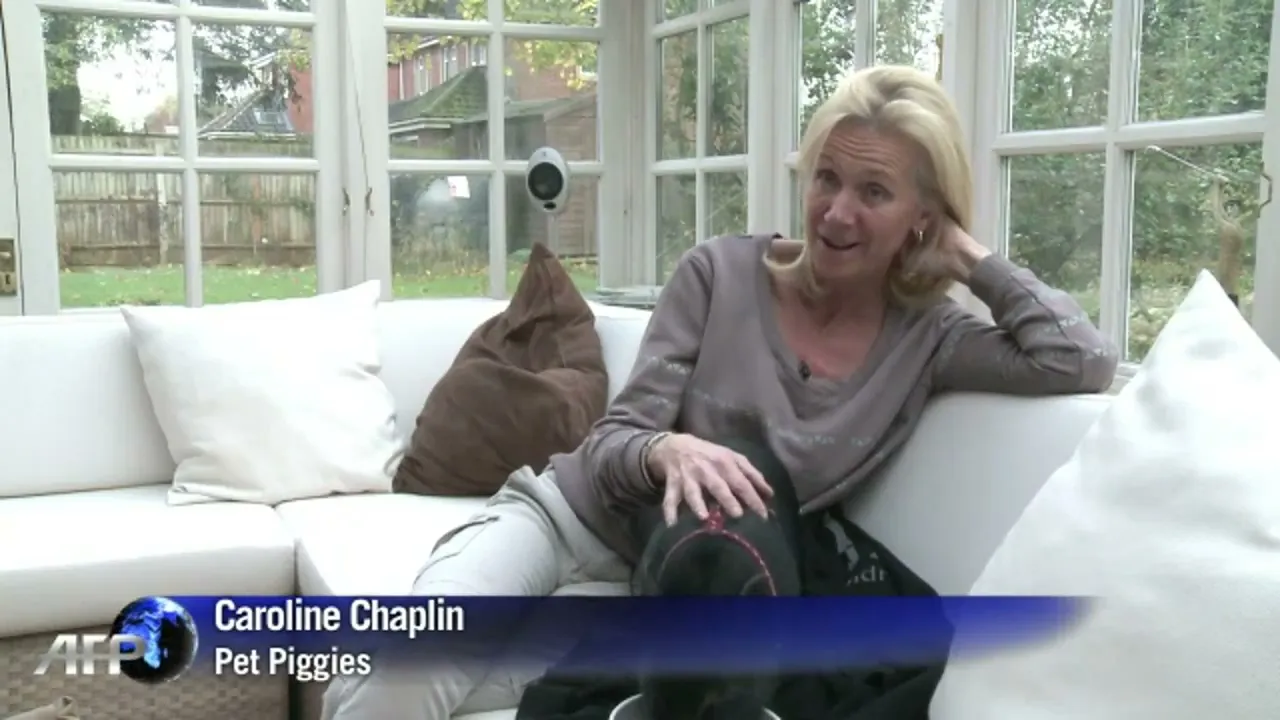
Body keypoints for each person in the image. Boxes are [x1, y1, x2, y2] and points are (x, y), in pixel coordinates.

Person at [321, 64, 1119, 720]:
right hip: (566, 518)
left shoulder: (929, 339)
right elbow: (611, 442)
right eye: (827, 178)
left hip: (666, 585)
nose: (837, 212)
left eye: (875, 192)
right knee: (407, 670)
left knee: (425, 688)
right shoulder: (722, 273)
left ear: (923, 216)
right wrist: (668, 448)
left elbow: (1077, 357)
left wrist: (970, 257)